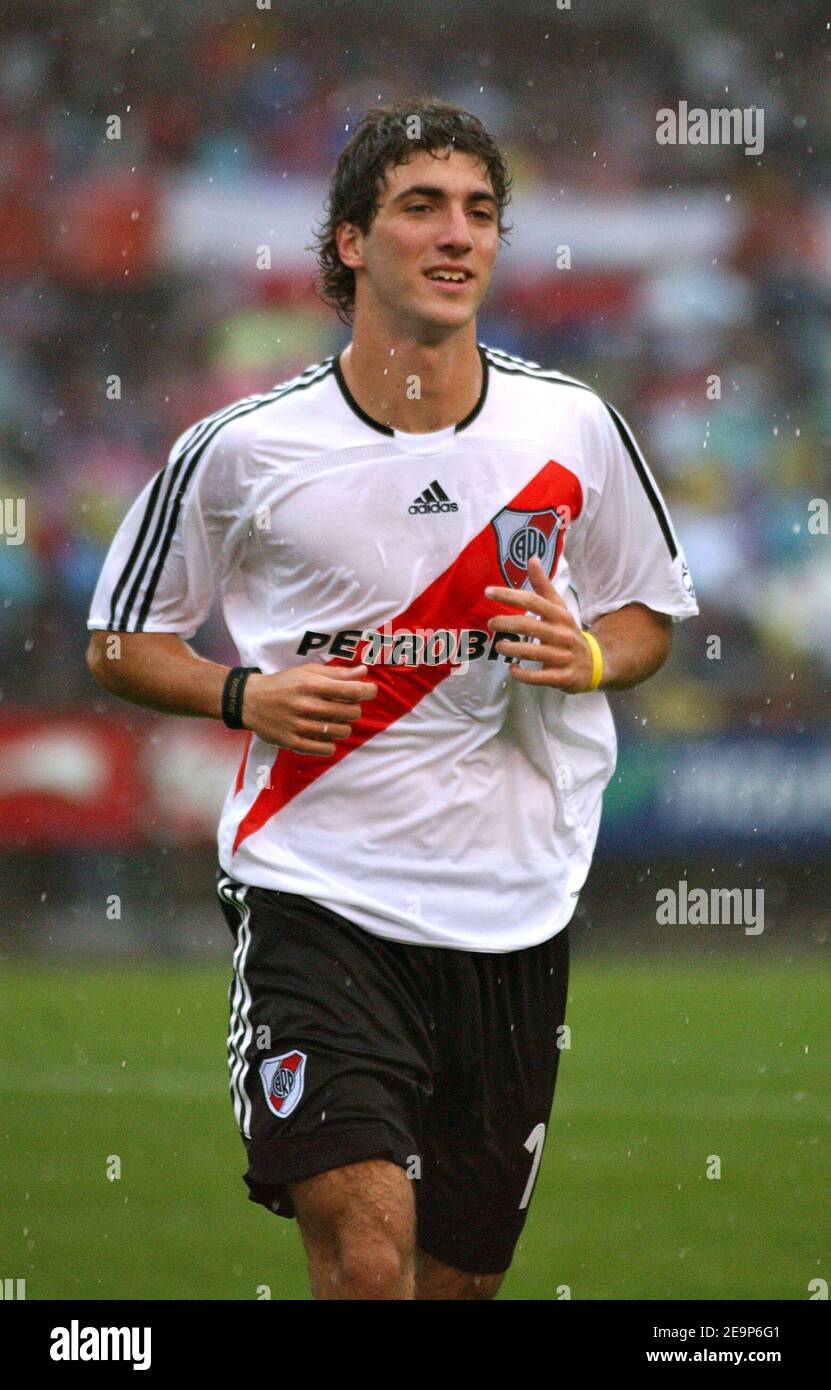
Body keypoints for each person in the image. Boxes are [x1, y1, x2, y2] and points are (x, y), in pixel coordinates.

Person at [86, 99, 699, 1300]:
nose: (457, 233)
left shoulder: (571, 424)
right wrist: (241, 691)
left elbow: (647, 616)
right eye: (422, 206)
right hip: (322, 892)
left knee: (454, 1284)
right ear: (352, 241)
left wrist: (588, 658)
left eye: (480, 211)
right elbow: (117, 640)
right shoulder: (241, 449)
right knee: (366, 1265)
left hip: (515, 908)